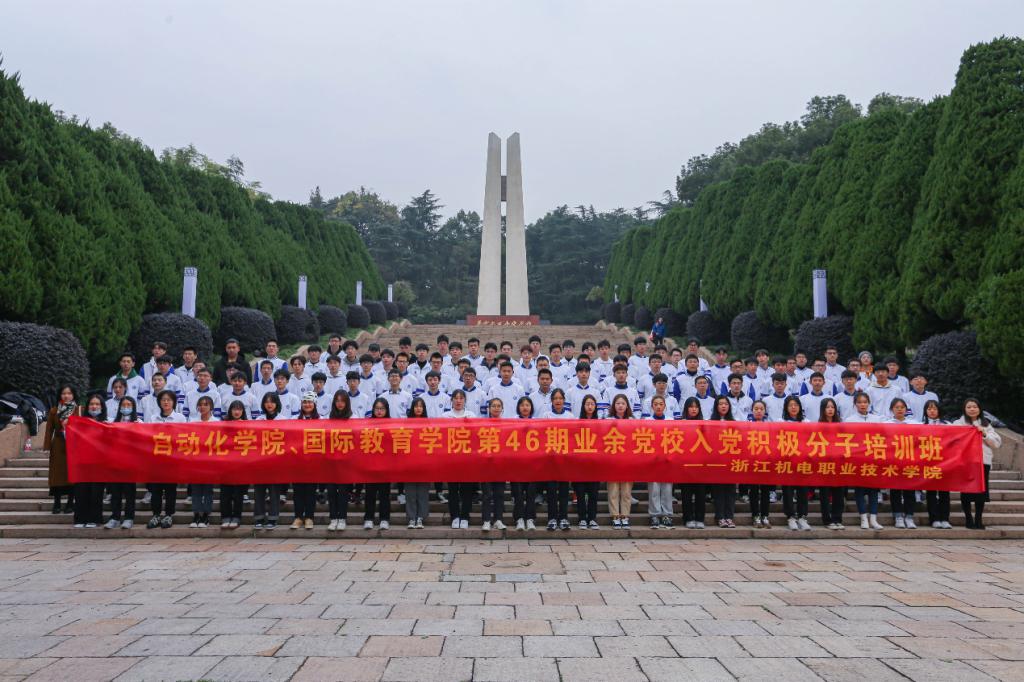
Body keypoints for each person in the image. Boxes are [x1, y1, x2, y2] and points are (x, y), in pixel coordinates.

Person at [956, 398, 1001, 530]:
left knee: (981, 492)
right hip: (966, 462)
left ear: (979, 409)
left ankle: (978, 519)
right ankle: (968, 519)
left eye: (974, 407)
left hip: (982, 462)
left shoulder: (986, 424)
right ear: (964, 409)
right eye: (969, 407)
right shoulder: (958, 423)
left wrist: (984, 433)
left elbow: (997, 444)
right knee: (966, 491)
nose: (972, 409)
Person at [146, 389, 186, 529]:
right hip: (156, 459)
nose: (166, 402)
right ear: (159, 402)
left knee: (170, 489)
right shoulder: (153, 418)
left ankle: (169, 515)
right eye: (163, 400)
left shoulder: (180, 418)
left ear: (174, 402)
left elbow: (183, 437)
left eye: (169, 400)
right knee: (155, 489)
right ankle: (156, 515)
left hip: (172, 460)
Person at [844, 391, 884, 529]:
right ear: (855, 404)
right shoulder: (849, 420)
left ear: (869, 403)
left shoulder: (877, 419)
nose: (862, 404)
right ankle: (863, 518)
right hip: (858, 459)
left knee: (873, 490)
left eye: (865, 402)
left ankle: (873, 518)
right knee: (859, 490)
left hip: (873, 459)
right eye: (859, 402)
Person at [71, 392, 107, 528]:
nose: (94, 406)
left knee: (96, 492)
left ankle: (94, 518)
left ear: (102, 407)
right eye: (92, 404)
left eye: (97, 404)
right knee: (81, 491)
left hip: (99, 463)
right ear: (87, 406)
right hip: (82, 462)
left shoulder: (107, 423)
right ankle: (80, 519)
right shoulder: (80, 423)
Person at [253, 393, 286, 530]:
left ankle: (273, 518)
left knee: (274, 491)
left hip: (276, 461)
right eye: (266, 402)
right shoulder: (258, 420)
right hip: (260, 461)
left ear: (277, 403)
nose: (269, 404)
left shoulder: (283, 420)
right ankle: (259, 518)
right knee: (259, 491)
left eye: (272, 401)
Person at [444, 390, 476, 529]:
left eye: (461, 398)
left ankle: (465, 516)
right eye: (456, 398)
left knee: (467, 489)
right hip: (451, 458)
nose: (458, 401)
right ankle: (455, 516)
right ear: (451, 400)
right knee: (452, 490)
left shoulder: (471, 415)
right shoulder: (445, 416)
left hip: (467, 458)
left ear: (465, 400)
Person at [570, 393, 601, 529]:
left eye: (592, 404)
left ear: (595, 407)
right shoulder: (577, 423)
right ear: (583, 406)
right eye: (587, 404)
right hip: (579, 464)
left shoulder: (600, 424)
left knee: (593, 493)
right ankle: (582, 518)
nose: (590, 406)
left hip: (594, 464)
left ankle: (592, 518)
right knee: (580, 493)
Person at [511, 397, 542, 531]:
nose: (525, 407)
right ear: (518, 407)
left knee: (531, 493)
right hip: (517, 464)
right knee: (518, 494)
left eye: (527, 405)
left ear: (531, 407)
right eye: (522, 405)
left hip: (532, 464)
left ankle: (530, 518)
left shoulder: (536, 423)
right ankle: (519, 519)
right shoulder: (512, 422)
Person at [290, 392, 320, 530]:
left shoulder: (321, 420)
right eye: (305, 402)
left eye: (310, 402)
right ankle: (298, 517)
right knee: (298, 491)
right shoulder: (294, 419)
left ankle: (309, 517)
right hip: (297, 461)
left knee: (310, 491)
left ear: (315, 404)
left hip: (314, 461)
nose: (307, 404)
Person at [324, 391, 353, 531]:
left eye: (342, 401)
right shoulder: (328, 418)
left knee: (343, 491)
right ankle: (333, 518)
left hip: (346, 462)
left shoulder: (353, 418)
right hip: (330, 461)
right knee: (331, 491)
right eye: (337, 400)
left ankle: (342, 518)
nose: (340, 403)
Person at [781, 396, 811, 531]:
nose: (793, 407)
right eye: (790, 405)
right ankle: (791, 517)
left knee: (803, 490)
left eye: (796, 405)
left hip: (803, 461)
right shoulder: (781, 422)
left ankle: (802, 517)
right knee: (787, 490)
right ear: (786, 408)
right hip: (787, 462)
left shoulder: (806, 422)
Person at [887, 397, 918, 529]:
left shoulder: (914, 424)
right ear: (892, 409)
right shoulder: (886, 424)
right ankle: (898, 516)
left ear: (906, 409)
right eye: (897, 407)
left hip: (910, 462)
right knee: (895, 490)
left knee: (909, 490)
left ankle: (909, 516)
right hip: (893, 462)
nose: (900, 410)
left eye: (902, 407)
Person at [921, 400, 952, 529]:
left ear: (939, 410)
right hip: (929, 462)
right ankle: (934, 519)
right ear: (925, 411)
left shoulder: (948, 425)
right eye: (929, 409)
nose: (932, 411)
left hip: (945, 462)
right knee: (931, 492)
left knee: (945, 492)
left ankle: (945, 518)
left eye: (934, 408)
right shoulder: (920, 426)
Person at [646, 396, 675, 529]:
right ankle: (654, 514)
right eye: (656, 404)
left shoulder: (671, 421)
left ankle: (667, 514)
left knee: (667, 489)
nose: (658, 406)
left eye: (661, 404)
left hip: (667, 460)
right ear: (652, 406)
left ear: (665, 406)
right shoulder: (647, 421)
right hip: (652, 459)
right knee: (654, 489)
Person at [363, 398, 392, 530]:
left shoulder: (391, 425)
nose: (379, 411)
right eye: (377, 409)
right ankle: (368, 518)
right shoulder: (367, 424)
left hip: (385, 465)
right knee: (370, 493)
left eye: (382, 409)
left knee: (384, 494)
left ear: (386, 410)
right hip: (370, 465)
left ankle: (384, 519)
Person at [606, 394, 634, 529]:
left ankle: (625, 516)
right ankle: (615, 516)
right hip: (612, 461)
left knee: (626, 491)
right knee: (613, 490)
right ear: (614, 406)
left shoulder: (632, 421)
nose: (620, 406)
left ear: (627, 405)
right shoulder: (608, 421)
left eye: (623, 403)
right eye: (618, 403)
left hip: (628, 460)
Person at [219, 400, 248, 529]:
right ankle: (225, 516)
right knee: (225, 493)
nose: (237, 412)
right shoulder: (223, 425)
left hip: (240, 464)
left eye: (239, 409)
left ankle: (237, 516)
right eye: (234, 409)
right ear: (230, 410)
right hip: (225, 463)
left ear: (243, 411)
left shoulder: (248, 425)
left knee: (238, 493)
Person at [709, 396, 737, 528]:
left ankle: (729, 517)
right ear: (716, 406)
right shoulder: (711, 423)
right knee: (718, 491)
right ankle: (720, 516)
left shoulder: (734, 423)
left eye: (726, 404)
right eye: (720, 404)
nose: (723, 406)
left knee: (731, 491)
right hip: (716, 461)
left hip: (731, 461)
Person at [480, 398, 508, 532]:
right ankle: (486, 520)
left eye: (498, 406)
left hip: (501, 464)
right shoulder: (483, 424)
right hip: (486, 464)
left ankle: (498, 519)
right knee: (486, 494)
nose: (496, 408)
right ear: (489, 409)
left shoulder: (507, 425)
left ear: (502, 409)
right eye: (494, 406)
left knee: (499, 494)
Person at [818, 397, 845, 530]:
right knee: (824, 493)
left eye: (832, 407)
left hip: (838, 463)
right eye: (827, 407)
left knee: (838, 493)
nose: (830, 410)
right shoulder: (818, 426)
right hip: (824, 464)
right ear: (823, 410)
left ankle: (837, 518)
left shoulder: (841, 426)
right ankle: (827, 519)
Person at [403, 398, 431, 529]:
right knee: (410, 492)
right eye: (416, 406)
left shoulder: (428, 424)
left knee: (422, 492)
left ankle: (420, 517)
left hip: (424, 462)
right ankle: (411, 517)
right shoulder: (406, 424)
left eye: (421, 406)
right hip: (409, 462)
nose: (418, 408)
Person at [679, 397, 706, 529]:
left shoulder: (705, 424)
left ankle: (700, 519)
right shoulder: (681, 424)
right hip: (685, 464)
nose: (694, 409)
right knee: (686, 493)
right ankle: (688, 518)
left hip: (701, 464)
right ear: (686, 409)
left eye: (696, 407)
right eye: (691, 406)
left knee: (701, 493)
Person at [747, 399, 773, 529]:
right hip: (752, 462)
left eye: (761, 409)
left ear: (765, 411)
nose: (758, 411)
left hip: (766, 462)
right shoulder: (747, 425)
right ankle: (755, 515)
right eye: (756, 409)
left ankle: (765, 516)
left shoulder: (770, 426)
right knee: (754, 491)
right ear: (752, 411)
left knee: (765, 491)